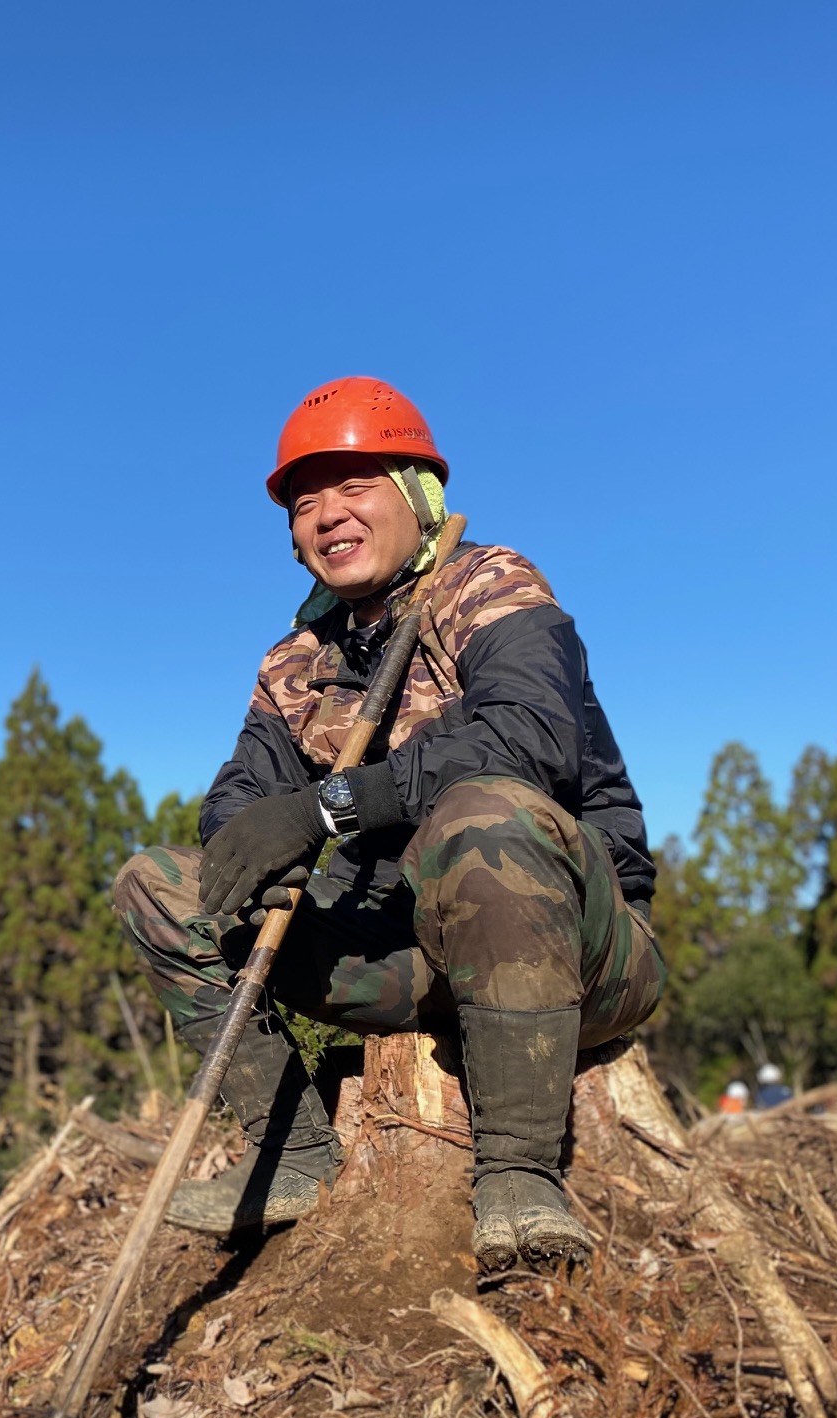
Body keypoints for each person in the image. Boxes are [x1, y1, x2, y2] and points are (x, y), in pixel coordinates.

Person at [111, 377, 665, 1272]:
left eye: (355, 486)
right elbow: (240, 801)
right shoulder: (296, 661)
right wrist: (257, 845)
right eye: (305, 500)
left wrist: (329, 807)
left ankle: (520, 1175)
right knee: (161, 884)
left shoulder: (491, 585)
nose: (328, 514)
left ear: (418, 495)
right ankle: (291, 1152)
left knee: (487, 816)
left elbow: (531, 737)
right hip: (407, 956)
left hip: (573, 950)